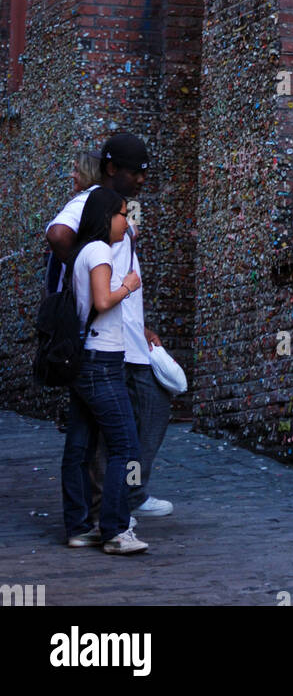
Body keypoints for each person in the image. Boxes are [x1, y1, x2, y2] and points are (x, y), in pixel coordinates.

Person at [46, 132, 174, 518]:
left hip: (128, 335)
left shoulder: (118, 207)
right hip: (105, 342)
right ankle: (112, 512)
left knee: (140, 414)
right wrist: (87, 276)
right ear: (113, 168)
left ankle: (118, 501)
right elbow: (57, 235)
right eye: (136, 172)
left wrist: (142, 324)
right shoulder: (88, 203)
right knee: (116, 433)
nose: (141, 180)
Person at [61, 187, 148, 554]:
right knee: (125, 444)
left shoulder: (83, 251)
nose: (126, 221)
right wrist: (127, 286)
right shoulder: (98, 250)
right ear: (105, 217)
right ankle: (114, 530)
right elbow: (102, 300)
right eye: (121, 215)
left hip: (86, 360)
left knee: (80, 445)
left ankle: (80, 527)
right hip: (102, 363)